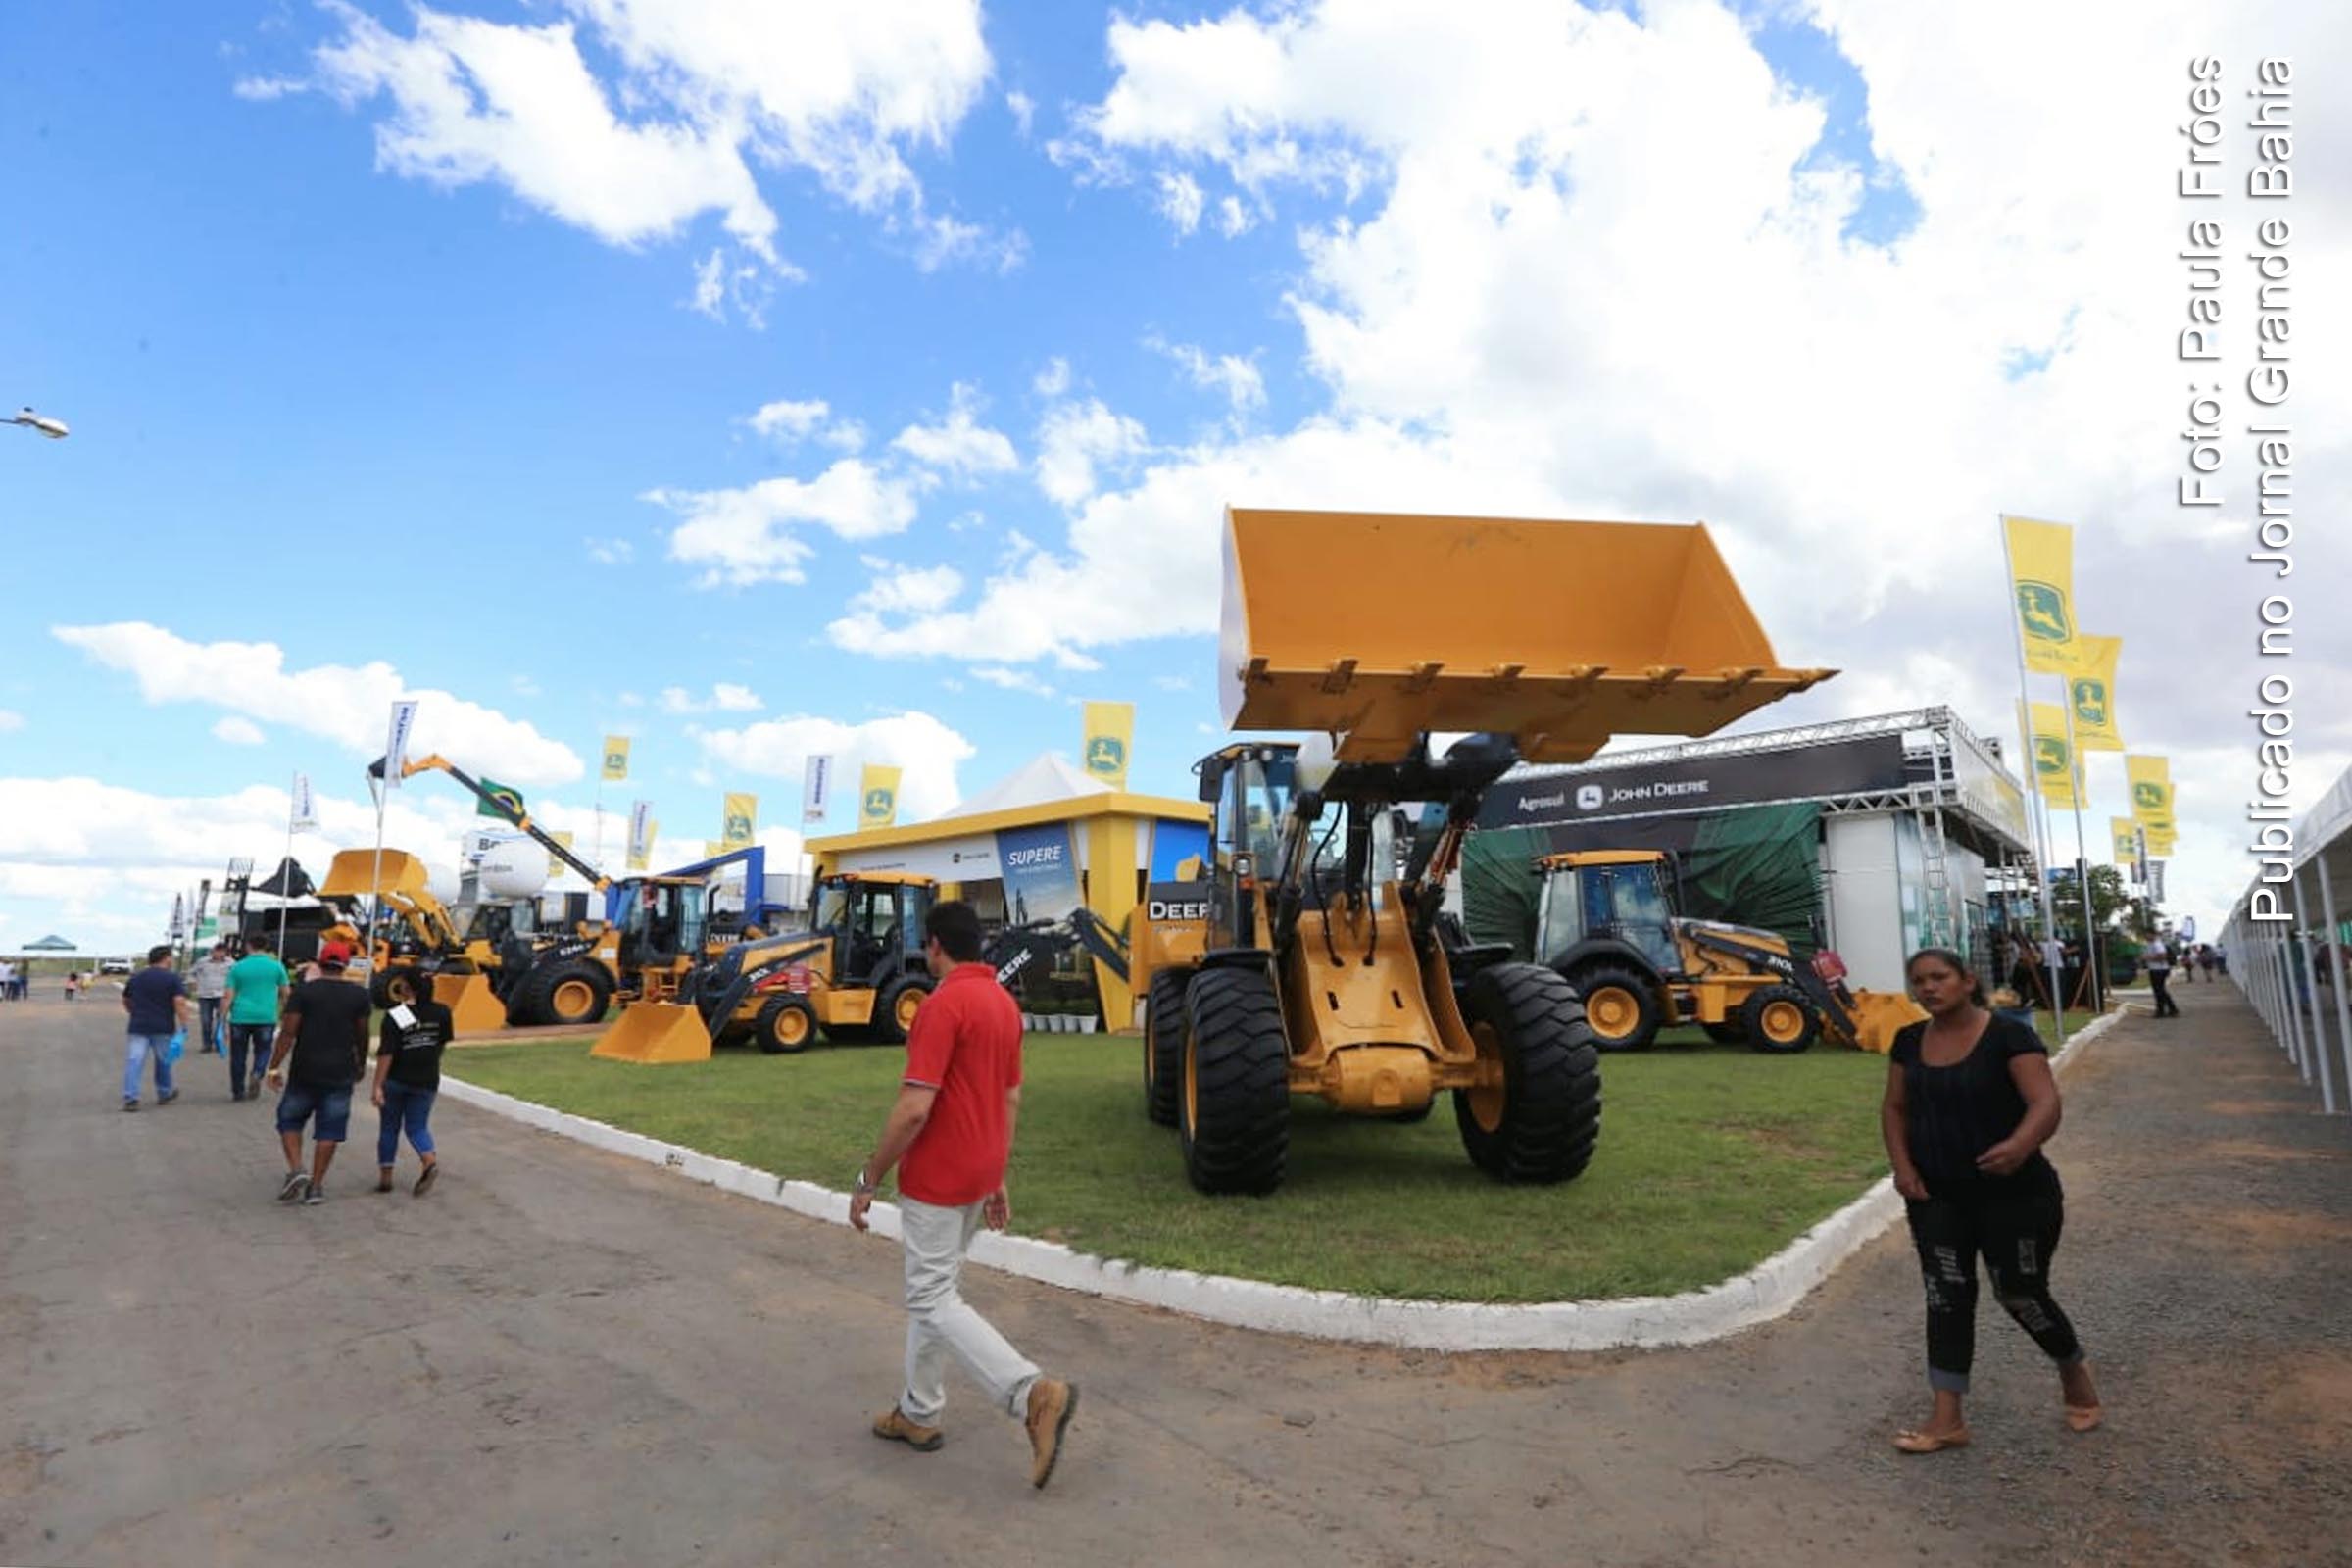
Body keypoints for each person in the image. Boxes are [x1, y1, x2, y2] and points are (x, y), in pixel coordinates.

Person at [848, 900, 1078, 1490]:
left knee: (930, 1298)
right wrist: (998, 1173)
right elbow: (1009, 1099)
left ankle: (1031, 1394)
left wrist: (869, 1178)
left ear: (934, 946)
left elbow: (914, 1108)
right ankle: (919, 1413)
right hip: (978, 1175)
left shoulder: (942, 1004)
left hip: (938, 1180)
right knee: (937, 1294)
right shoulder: (1004, 1004)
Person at [1881, 947, 2099, 1453]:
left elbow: (2045, 1102)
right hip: (1936, 1196)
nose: (1929, 988)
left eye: (1939, 977)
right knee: (1946, 1296)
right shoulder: (1909, 1041)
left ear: (1966, 980)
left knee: (2020, 1291)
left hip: (2015, 1194)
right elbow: (1894, 1109)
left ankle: (2072, 1367)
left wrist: (2021, 1146)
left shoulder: (2009, 1035)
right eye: (1919, 981)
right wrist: (1903, 1167)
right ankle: (1947, 1419)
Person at [262, 941, 371, 1206]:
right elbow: (362, 1033)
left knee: (289, 1120)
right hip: (340, 1071)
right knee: (329, 1130)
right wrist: (360, 1064)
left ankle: (298, 1168)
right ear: (345, 965)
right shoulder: (359, 995)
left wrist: (274, 1066)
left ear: (320, 963)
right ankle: (316, 1186)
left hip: (305, 1069)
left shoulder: (304, 992)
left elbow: (288, 1032)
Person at [371, 987, 451, 1196]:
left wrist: (378, 1084)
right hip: (426, 1079)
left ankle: (386, 1178)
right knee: (417, 1127)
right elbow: (441, 1044)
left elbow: (387, 1052)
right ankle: (428, 1160)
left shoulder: (396, 1015)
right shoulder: (442, 1012)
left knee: (389, 1128)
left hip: (397, 1078)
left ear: (407, 988)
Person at [119, 946, 190, 1111]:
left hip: (138, 1025)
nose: (172, 960)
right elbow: (179, 1002)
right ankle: (164, 1092)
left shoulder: (136, 977)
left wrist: (133, 1012)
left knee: (135, 1061)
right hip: (163, 1026)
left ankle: (131, 1097)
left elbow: (126, 999)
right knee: (164, 1061)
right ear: (165, 958)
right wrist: (184, 1024)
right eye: (171, 957)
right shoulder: (172, 978)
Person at [223, 936, 292, 1102]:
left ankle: (238, 1091)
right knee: (264, 1049)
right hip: (266, 1016)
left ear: (248, 946)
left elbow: (228, 996)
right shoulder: (277, 967)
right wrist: (286, 1014)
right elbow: (286, 994)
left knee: (238, 1054)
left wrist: (222, 1019)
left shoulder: (237, 967)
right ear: (266, 947)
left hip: (240, 1016)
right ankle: (257, 1072)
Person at [190, 945, 231, 1053]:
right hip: (205, 995)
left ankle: (218, 1042)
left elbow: (236, 976)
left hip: (222, 995)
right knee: (205, 1021)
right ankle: (206, 1044)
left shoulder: (231, 963)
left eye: (222, 951)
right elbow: (191, 973)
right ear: (212, 952)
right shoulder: (202, 962)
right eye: (216, 951)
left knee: (221, 1020)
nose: (219, 954)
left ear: (225, 952)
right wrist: (193, 982)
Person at [2142, 939, 2179, 1018]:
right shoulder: (2150, 944)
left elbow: (2163, 956)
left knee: (2159, 991)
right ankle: (2170, 1009)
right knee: (2160, 991)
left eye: (2147, 934)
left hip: (2159, 970)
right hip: (2155, 969)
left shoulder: (2157, 944)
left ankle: (2163, 1011)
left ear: (2151, 934)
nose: (2145, 936)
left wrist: (2148, 958)